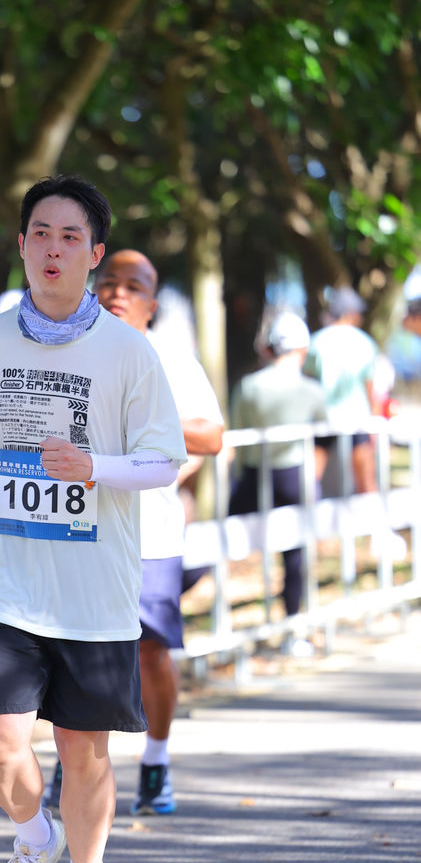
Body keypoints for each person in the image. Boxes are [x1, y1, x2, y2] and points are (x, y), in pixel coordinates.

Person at [0, 175, 186, 863]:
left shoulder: (127, 351)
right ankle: (31, 838)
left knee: (84, 752)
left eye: (69, 237)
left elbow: (163, 461)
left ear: (94, 253)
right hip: (5, 585)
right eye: (40, 233)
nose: (53, 249)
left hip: (94, 591)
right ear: (20, 244)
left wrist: (93, 468)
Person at [92, 250, 224, 815]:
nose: (118, 293)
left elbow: (212, 436)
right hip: (75, 529)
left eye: (134, 286)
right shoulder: (64, 352)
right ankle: (76, 763)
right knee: (78, 652)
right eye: (109, 282)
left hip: (151, 533)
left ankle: (156, 761)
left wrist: (147, 420)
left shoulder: (171, 360)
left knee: (150, 652)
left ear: (151, 304)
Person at [229, 313, 329, 640]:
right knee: (296, 555)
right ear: (303, 349)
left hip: (254, 476)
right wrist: (313, 478)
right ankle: (293, 626)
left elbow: (237, 438)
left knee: (220, 542)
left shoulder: (249, 386)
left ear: (270, 348)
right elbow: (325, 439)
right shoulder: (312, 390)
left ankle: (189, 610)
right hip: (296, 477)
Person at [304, 287, 377, 494]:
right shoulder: (365, 342)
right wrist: (373, 418)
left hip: (324, 417)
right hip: (358, 418)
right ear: (349, 313)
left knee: (310, 478)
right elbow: (369, 387)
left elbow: (308, 383)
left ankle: (307, 509)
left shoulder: (316, 342)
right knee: (366, 479)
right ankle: (373, 514)